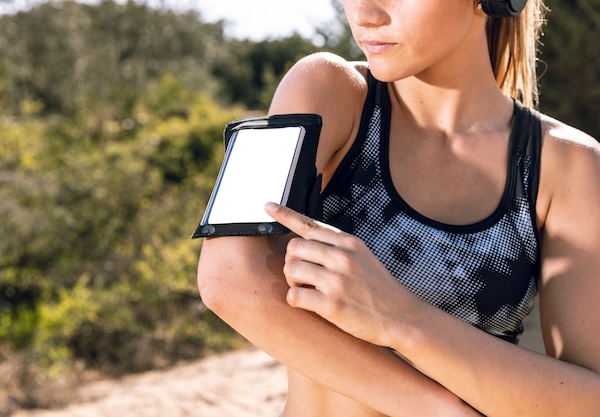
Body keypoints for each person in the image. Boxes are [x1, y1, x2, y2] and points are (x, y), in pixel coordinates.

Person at [197, 0, 600, 415]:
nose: (365, 14)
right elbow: (228, 280)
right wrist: (437, 409)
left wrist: (404, 320)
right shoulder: (323, 88)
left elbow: (589, 398)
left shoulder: (569, 163)